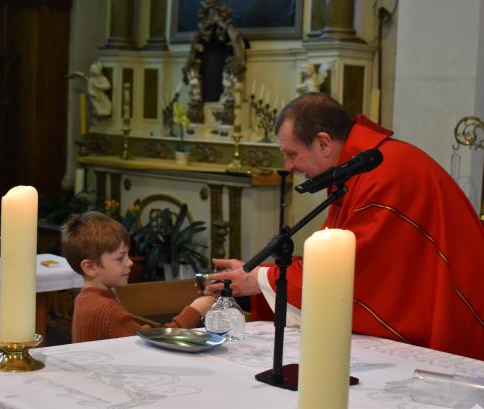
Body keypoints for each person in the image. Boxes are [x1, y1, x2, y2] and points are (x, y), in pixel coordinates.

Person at [205, 92, 484, 360]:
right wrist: (262, 275)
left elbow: (354, 270)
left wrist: (259, 280)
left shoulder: (382, 175)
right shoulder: (358, 171)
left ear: (323, 143)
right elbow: (330, 259)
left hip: (459, 321)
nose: (288, 166)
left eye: (291, 154)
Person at [61, 211, 215, 343]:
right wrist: (196, 310)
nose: (129, 263)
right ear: (90, 267)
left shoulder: (87, 297)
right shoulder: (105, 309)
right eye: (120, 258)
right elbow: (156, 343)